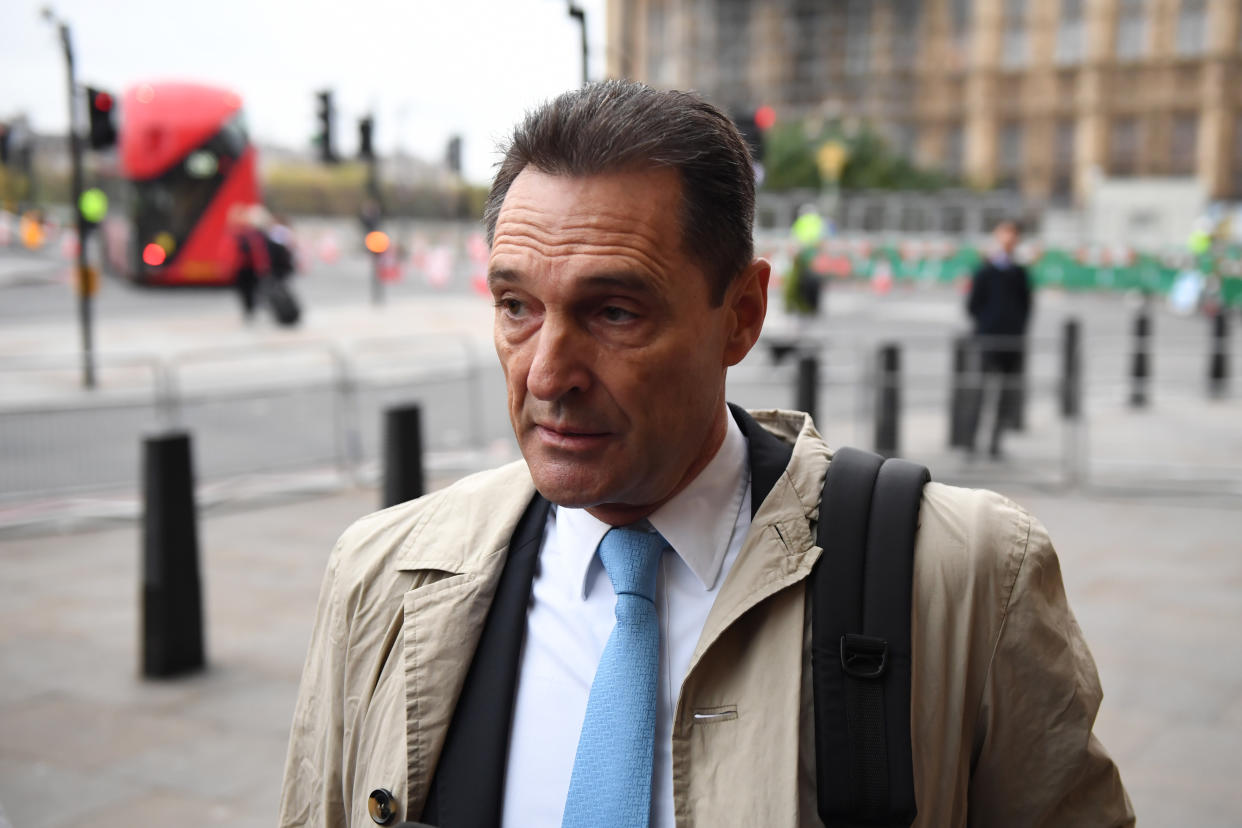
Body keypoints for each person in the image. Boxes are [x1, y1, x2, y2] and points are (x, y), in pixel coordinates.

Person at [279, 82, 1132, 827]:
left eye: (615, 312)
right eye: (516, 306)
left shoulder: (965, 579)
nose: (547, 373)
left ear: (742, 314)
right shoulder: (380, 578)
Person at [964, 218, 1033, 459]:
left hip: (1012, 343)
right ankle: (970, 442)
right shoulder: (985, 270)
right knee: (979, 392)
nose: (1009, 238)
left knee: (1005, 395)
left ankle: (995, 443)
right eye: (1005, 233)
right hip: (988, 340)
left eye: (1013, 234)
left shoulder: (1020, 272)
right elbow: (972, 305)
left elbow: (1027, 307)